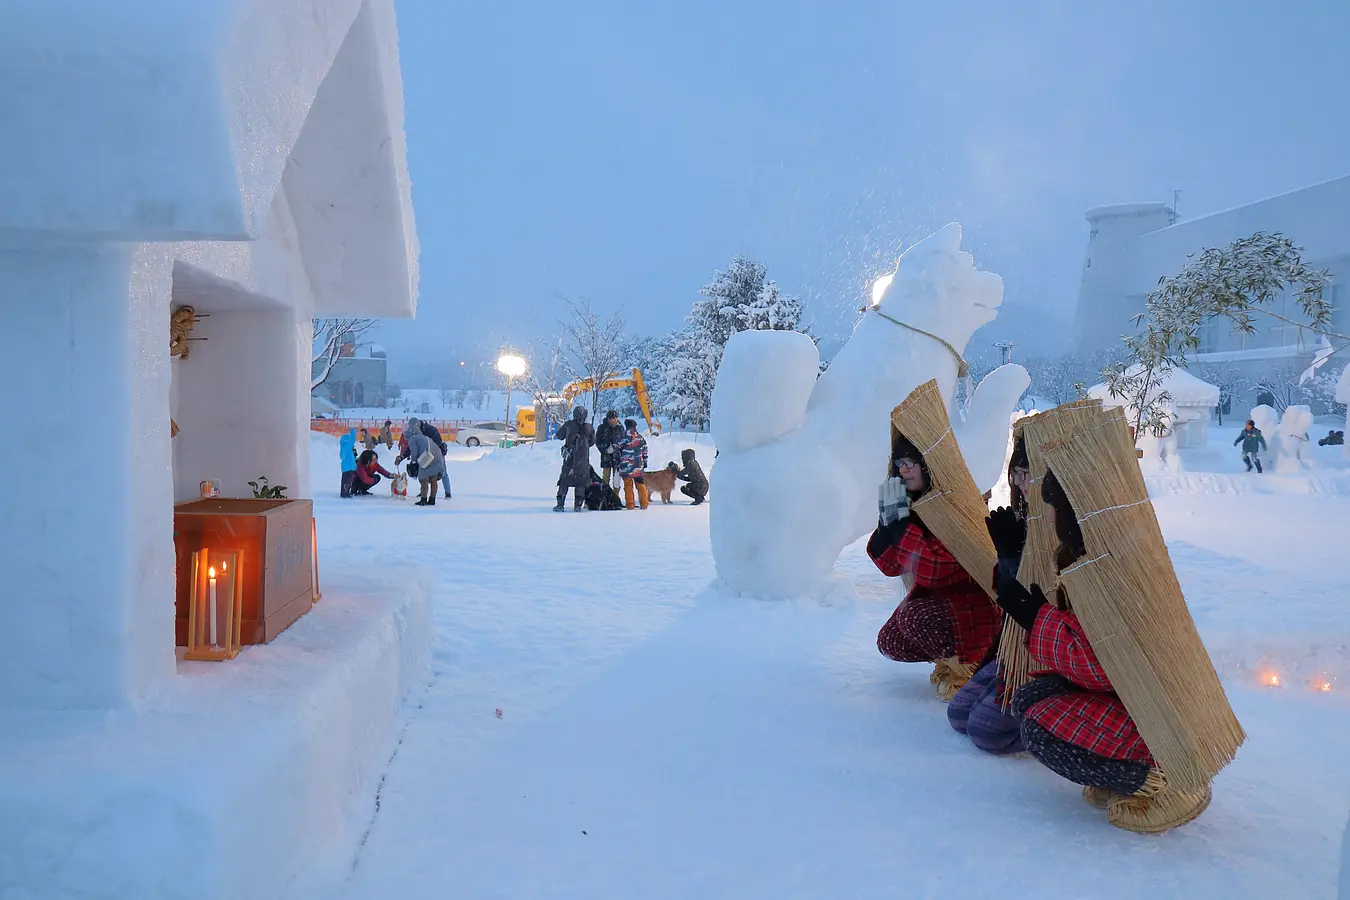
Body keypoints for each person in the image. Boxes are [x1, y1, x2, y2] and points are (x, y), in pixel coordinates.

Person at [996, 468, 1211, 833]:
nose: (1047, 516)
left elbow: (1102, 663)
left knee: (1035, 729)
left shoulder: (1109, 569)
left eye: (1054, 507)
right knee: (1028, 699)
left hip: (1156, 720)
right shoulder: (1085, 557)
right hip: (1124, 696)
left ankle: (1162, 780)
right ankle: (1124, 771)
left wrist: (1036, 620)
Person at [867, 435, 1003, 700]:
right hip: (941, 606)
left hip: (974, 608)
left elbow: (933, 567)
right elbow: (891, 567)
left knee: (914, 617)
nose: (903, 469)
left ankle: (971, 669)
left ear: (928, 466)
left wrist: (899, 526)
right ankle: (950, 659)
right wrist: (887, 527)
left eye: (911, 463)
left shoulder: (955, 508)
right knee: (891, 641)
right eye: (899, 463)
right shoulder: (914, 509)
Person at [948, 437, 1030, 754]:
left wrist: (1011, 558)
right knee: (958, 716)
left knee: (987, 733)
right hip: (1012, 645)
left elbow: (1032, 598)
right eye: (1017, 473)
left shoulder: (1062, 526)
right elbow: (891, 564)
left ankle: (1051, 728)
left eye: (1029, 473)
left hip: (1048, 653)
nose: (1021, 482)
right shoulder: (1018, 520)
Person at [553, 406, 595, 511]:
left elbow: (559, 435)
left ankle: (560, 505)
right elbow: (592, 442)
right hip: (583, 459)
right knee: (581, 483)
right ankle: (577, 506)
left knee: (564, 481)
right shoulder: (589, 427)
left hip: (570, 458)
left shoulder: (568, 425)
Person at [405, 417, 445, 507]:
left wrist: (413, 462)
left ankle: (423, 500)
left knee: (424, 479)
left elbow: (414, 453)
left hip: (427, 458)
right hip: (438, 458)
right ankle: (432, 499)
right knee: (434, 479)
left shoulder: (413, 439)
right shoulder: (425, 437)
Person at [617, 418, 650, 510]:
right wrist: (645, 461)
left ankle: (630, 504)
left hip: (625, 466)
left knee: (628, 485)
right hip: (638, 466)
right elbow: (645, 450)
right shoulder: (640, 437)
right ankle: (644, 504)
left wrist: (618, 461)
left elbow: (617, 450)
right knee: (640, 485)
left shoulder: (622, 437)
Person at [418, 418, 452, 500]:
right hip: (427, 455)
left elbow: (437, 444)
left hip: (438, 453)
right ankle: (423, 492)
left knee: (443, 473)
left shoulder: (432, 431)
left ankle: (448, 493)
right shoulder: (420, 432)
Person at [595, 410, 624, 489]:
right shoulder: (602, 428)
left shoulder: (620, 427)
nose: (613, 420)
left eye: (615, 418)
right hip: (606, 457)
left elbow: (624, 441)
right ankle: (605, 496)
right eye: (611, 418)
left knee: (617, 479)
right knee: (605, 478)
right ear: (608, 419)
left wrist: (618, 448)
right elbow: (597, 442)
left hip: (617, 457)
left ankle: (615, 497)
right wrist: (605, 449)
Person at [339, 427, 358, 498]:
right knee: (348, 481)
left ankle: (344, 492)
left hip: (345, 468)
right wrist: (353, 431)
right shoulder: (347, 447)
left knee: (345, 481)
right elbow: (352, 440)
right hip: (349, 467)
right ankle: (345, 493)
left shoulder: (343, 448)